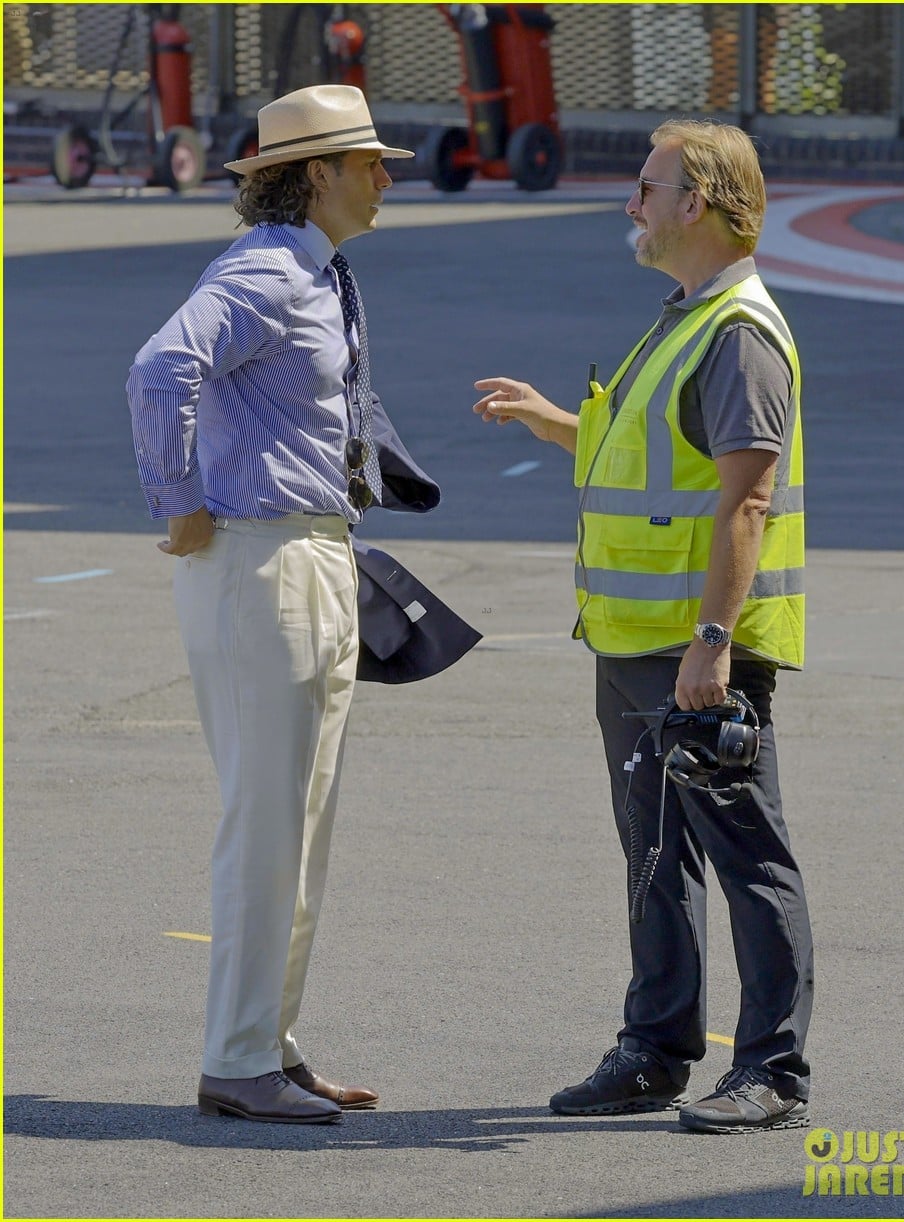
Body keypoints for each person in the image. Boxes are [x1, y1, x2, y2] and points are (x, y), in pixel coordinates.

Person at [473, 119, 812, 1134]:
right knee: (655, 856)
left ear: (695, 202)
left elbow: (744, 500)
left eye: (646, 186)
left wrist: (713, 640)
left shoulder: (737, 332)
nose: (633, 202)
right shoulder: (682, 319)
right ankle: (655, 1049)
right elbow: (661, 454)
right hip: (630, 643)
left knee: (748, 856)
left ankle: (772, 1070)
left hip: (693, 650)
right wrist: (558, 424)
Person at [127, 85, 415, 1124]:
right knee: (266, 821)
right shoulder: (262, 270)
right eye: (373, 162)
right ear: (318, 172)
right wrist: (181, 503)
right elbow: (160, 367)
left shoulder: (313, 272)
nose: (388, 178)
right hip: (259, 558)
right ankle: (239, 1056)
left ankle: (267, 1046)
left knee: (300, 822)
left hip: (307, 554)